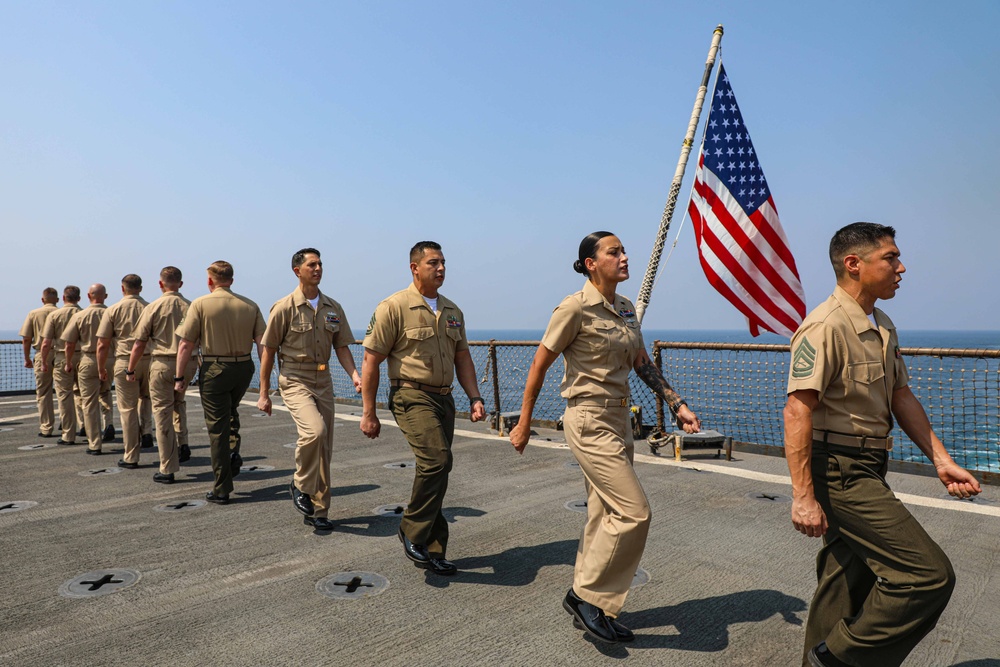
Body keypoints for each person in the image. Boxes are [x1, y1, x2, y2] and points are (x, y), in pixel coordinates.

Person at [783, 222, 982, 667]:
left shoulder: (881, 323)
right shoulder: (824, 327)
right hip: (839, 468)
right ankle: (839, 658)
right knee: (926, 576)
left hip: (869, 464)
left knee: (845, 577)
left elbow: (900, 395)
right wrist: (803, 496)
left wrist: (941, 461)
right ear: (854, 264)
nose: (901, 267)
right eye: (890, 258)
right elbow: (797, 410)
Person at [509, 231, 701, 645]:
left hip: (620, 420)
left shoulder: (626, 309)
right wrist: (524, 422)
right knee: (634, 512)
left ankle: (591, 599)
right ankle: (586, 597)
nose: (624, 256)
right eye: (614, 252)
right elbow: (540, 365)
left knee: (604, 513)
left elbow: (642, 362)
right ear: (591, 263)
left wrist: (676, 404)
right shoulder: (574, 308)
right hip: (588, 419)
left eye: (624, 250)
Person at [361, 241, 486, 576]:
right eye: (433, 263)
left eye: (444, 262)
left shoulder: (452, 311)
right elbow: (371, 360)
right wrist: (368, 412)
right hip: (411, 394)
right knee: (437, 460)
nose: (441, 268)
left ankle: (433, 548)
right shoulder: (393, 307)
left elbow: (463, 358)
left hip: (444, 397)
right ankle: (411, 530)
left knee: (439, 469)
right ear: (414, 267)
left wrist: (475, 397)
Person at [257, 248, 362, 531]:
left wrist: (355, 375)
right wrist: (264, 393)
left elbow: (341, 346)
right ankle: (300, 484)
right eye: (312, 264)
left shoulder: (333, 307)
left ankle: (319, 511)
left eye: (320, 264)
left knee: (324, 448)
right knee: (315, 432)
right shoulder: (284, 307)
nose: (318, 268)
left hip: (324, 380)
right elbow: (268, 351)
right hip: (294, 379)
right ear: (297, 271)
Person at [175, 261, 265, 504]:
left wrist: (179, 376)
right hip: (244, 367)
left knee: (217, 428)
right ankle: (233, 452)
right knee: (231, 412)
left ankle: (221, 487)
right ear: (232, 280)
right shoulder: (250, 305)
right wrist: (266, 380)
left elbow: (185, 344)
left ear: (210, 281)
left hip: (215, 368)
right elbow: (263, 344)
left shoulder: (200, 304)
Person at [128, 266, 197, 484]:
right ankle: (183, 442)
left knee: (162, 412)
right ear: (181, 283)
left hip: (162, 362)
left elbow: (139, 343)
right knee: (179, 403)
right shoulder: (193, 306)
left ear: (160, 284)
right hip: (188, 363)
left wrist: (130, 368)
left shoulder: (153, 307)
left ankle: (167, 467)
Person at [97, 274, 149, 468]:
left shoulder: (113, 310)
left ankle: (131, 455)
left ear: (122, 288)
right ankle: (148, 432)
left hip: (125, 360)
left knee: (127, 409)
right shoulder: (150, 307)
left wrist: (102, 368)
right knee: (149, 399)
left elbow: (102, 344)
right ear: (140, 288)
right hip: (150, 360)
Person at [62, 284, 114, 455]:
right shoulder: (112, 312)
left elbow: (69, 343)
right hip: (111, 359)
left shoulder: (80, 315)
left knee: (89, 402)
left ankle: (94, 443)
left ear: (88, 295)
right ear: (105, 296)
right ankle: (109, 423)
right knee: (106, 393)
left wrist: (68, 362)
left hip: (89, 358)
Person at [39, 286, 83, 445]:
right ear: (79, 298)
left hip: (62, 357)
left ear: (63, 298)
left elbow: (46, 343)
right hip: (84, 357)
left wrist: (44, 362)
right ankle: (89, 430)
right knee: (88, 396)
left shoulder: (54, 315)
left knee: (64, 396)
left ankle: (68, 434)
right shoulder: (84, 314)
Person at [20, 287, 59, 437]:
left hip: (42, 354)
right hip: (62, 354)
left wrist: (27, 358)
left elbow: (26, 339)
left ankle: (46, 427)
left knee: (43, 392)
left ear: (42, 299)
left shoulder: (33, 314)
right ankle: (73, 424)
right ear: (57, 299)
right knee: (67, 391)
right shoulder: (63, 313)